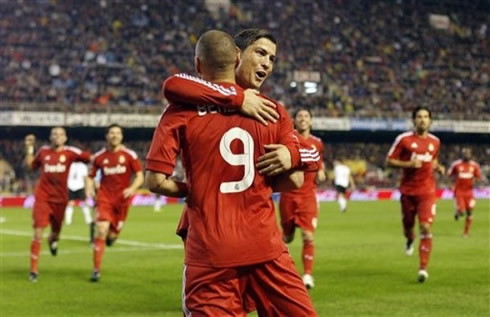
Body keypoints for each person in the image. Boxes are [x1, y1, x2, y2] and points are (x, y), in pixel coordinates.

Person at [146, 30, 316, 316]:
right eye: (261, 53)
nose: (267, 63)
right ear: (237, 55)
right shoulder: (272, 111)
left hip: (212, 250)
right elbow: (296, 179)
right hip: (264, 248)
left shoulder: (181, 109)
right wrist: (237, 99)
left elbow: (156, 180)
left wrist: (292, 154)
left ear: (200, 64)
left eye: (272, 58)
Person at [24, 127, 91, 282]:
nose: (57, 136)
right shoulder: (43, 152)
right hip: (43, 198)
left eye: (61, 134)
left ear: (65, 138)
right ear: (50, 137)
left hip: (61, 199)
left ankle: (53, 241)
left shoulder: (70, 152)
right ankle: (33, 270)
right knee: (38, 232)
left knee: (55, 234)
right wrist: (29, 148)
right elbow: (30, 166)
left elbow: (92, 158)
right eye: (55, 134)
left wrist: (92, 180)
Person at [386, 106, 445, 283]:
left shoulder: (435, 142)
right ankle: (409, 239)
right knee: (408, 226)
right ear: (413, 120)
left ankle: (423, 268)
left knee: (426, 227)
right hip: (408, 191)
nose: (422, 120)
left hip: (427, 191)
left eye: (426, 116)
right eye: (419, 117)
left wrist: (438, 166)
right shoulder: (403, 140)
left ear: (430, 121)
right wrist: (408, 165)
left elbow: (433, 159)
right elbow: (389, 161)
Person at [85, 124, 144, 282]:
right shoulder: (99, 157)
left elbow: (140, 176)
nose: (114, 136)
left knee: (111, 236)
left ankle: (111, 237)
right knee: (102, 229)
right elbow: (90, 176)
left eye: (118, 133)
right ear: (107, 136)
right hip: (104, 198)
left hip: (122, 201)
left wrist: (132, 188)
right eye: (112, 133)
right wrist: (89, 188)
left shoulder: (129, 155)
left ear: (121, 136)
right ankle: (96, 270)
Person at [278, 107, 325, 289]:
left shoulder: (318, 143)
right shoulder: (288, 139)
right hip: (289, 195)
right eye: (300, 116)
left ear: (311, 121)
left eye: (306, 116)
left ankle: (307, 275)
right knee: (287, 238)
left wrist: (320, 171)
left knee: (308, 235)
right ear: (294, 121)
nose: (303, 119)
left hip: (308, 196)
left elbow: (318, 162)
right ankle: (280, 269)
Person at [447, 147, 481, 237]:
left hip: (469, 192)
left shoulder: (474, 165)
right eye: (465, 153)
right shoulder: (456, 164)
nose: (466, 155)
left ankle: (466, 233)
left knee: (470, 212)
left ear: (471, 155)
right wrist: (450, 184)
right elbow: (450, 174)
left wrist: (476, 181)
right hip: (459, 192)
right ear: (462, 154)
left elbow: (478, 177)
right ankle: (458, 213)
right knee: (462, 211)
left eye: (468, 153)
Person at [65, 161, 95, 243]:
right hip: (70, 185)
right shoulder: (71, 164)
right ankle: (68, 220)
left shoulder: (81, 165)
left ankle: (88, 219)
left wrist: (87, 188)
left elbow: (85, 177)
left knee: (83, 203)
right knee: (70, 203)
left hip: (79, 185)